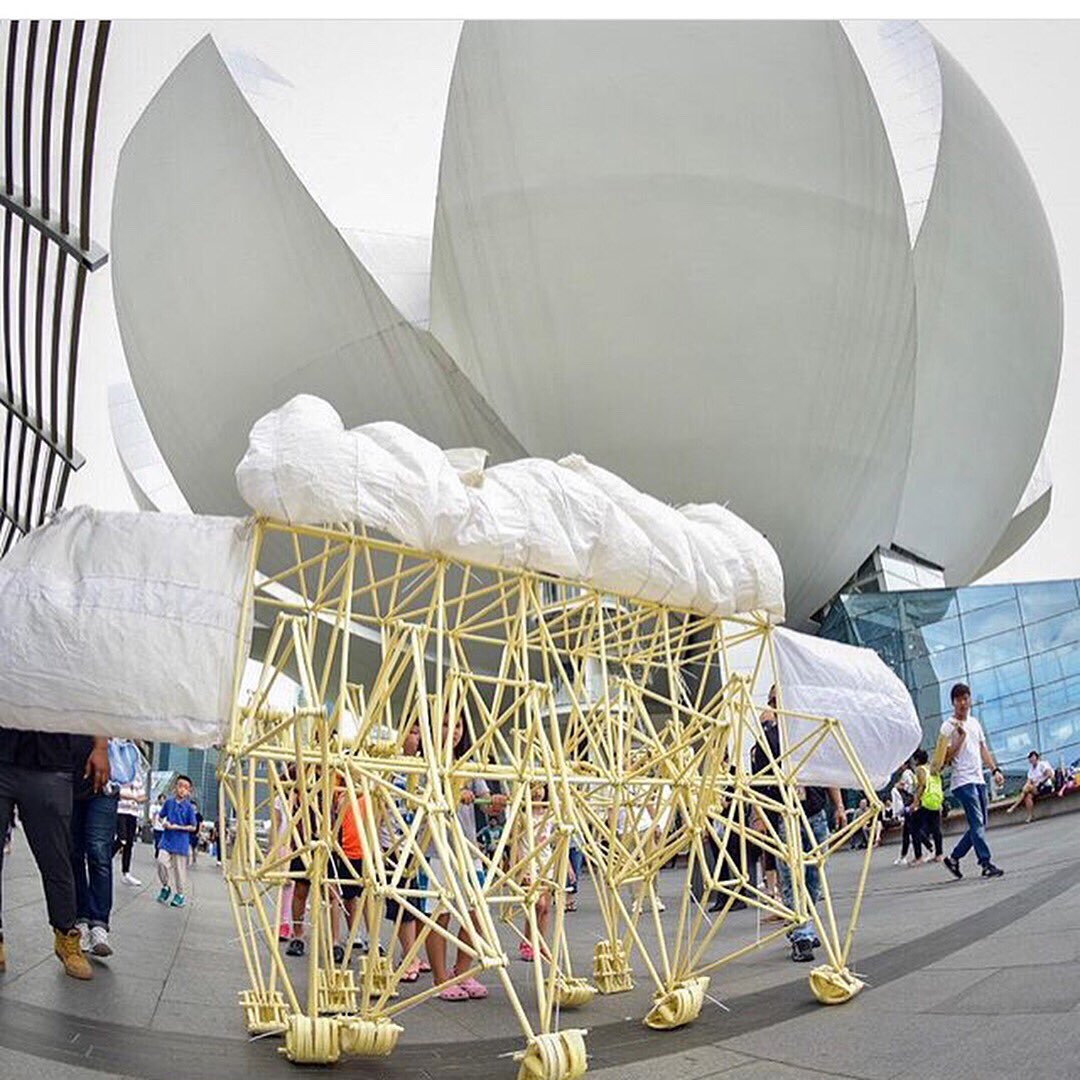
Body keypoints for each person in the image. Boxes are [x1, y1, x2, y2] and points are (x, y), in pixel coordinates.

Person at [0, 728, 106, 980]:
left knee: (56, 859)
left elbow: (94, 691)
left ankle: (66, 935)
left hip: (51, 760)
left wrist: (101, 746)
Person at [935, 683, 1005, 880]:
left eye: (966, 698)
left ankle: (954, 858)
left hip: (978, 778)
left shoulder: (974, 723)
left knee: (980, 823)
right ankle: (985, 863)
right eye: (958, 700)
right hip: (962, 781)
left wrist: (995, 769)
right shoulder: (947, 726)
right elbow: (945, 758)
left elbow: (983, 749)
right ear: (953, 703)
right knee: (977, 822)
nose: (963, 703)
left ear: (970, 699)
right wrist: (959, 738)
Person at [70, 736, 121, 956]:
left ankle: (99, 924)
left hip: (105, 780)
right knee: (73, 852)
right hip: (70, 773)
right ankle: (80, 919)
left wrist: (101, 746)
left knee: (99, 852)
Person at [156, 774, 198, 906]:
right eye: (180, 786)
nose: (182, 790)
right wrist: (163, 822)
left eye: (186, 788)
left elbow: (193, 827)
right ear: (175, 787)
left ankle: (180, 895)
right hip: (167, 840)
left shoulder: (189, 808)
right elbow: (161, 816)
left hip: (181, 843)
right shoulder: (169, 803)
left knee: (180, 871)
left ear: (189, 791)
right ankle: (166, 886)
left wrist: (177, 827)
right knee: (161, 862)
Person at [909, 748, 943, 861]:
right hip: (935, 800)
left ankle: (918, 856)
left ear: (916, 759)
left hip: (925, 802)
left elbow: (922, 785)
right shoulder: (931, 768)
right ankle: (939, 854)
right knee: (936, 829)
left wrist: (915, 802)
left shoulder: (920, 769)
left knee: (914, 828)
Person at [115, 764, 146, 887]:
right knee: (122, 839)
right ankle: (104, 861)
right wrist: (133, 797)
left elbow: (142, 795)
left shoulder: (138, 777)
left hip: (132, 812)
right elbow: (117, 791)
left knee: (129, 843)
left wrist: (139, 798)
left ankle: (126, 873)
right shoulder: (120, 773)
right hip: (121, 810)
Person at [1006, 750, 1055, 823]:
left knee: (1028, 788)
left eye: (1032, 757)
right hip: (1036, 789)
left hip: (1046, 786)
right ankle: (1030, 816)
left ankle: (1014, 806)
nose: (1031, 760)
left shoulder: (1042, 764)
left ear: (1037, 758)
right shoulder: (1031, 770)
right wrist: (1026, 788)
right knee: (1028, 796)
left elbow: (1049, 774)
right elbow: (1028, 782)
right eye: (1030, 758)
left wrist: (1039, 782)